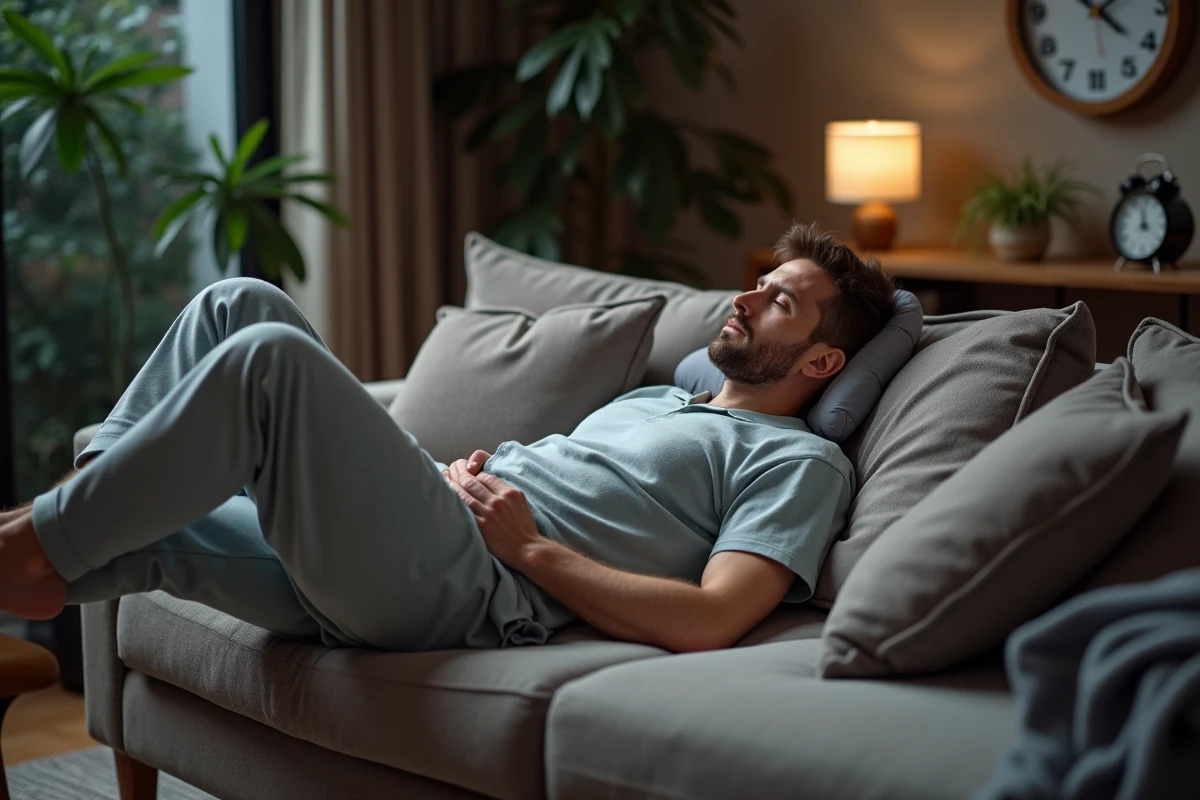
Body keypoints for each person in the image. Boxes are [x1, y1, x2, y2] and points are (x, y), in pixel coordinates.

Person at [0, 222, 894, 653]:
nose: (744, 297)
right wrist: (460, 474)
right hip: (426, 527)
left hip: (472, 586)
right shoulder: (661, 401)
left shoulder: (799, 462)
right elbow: (563, 481)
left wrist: (533, 548)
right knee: (238, 303)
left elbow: (712, 619)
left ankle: (41, 535)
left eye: (780, 300)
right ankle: (61, 543)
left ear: (822, 363)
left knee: (268, 356)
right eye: (759, 282)